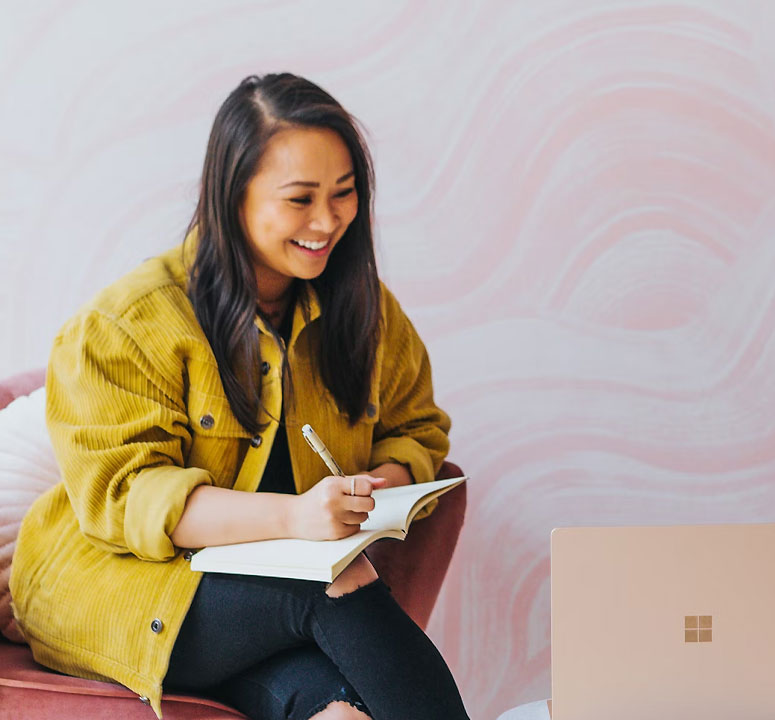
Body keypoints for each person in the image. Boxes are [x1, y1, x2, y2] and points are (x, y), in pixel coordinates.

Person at [9, 73, 470, 720]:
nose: (327, 220)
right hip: (120, 586)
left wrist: (375, 486)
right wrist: (297, 521)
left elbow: (417, 428)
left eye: (344, 193)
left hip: (265, 604)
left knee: (340, 714)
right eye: (299, 199)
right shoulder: (128, 323)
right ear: (232, 198)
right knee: (332, 579)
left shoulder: (364, 313)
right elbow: (128, 498)